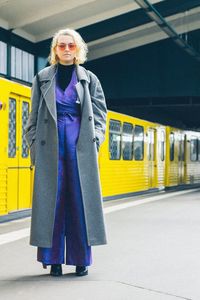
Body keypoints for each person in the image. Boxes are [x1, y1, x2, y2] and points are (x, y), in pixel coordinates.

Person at [24, 28, 108, 277]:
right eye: (62, 46)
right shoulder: (42, 78)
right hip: (49, 146)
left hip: (80, 145)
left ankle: (81, 259)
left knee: (80, 201)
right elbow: (33, 115)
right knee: (53, 202)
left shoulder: (89, 79)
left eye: (71, 45)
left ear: (78, 49)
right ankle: (54, 260)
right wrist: (32, 142)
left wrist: (96, 138)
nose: (67, 50)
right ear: (55, 50)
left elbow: (101, 113)